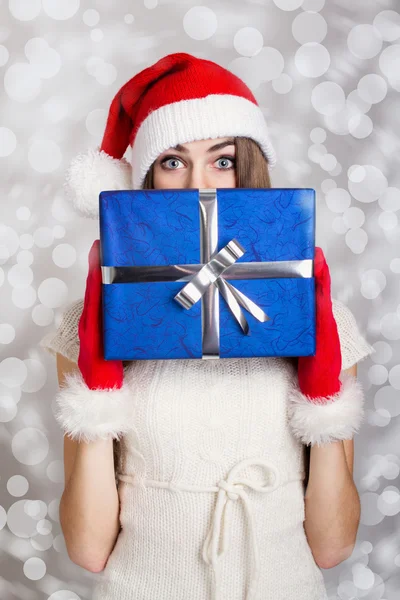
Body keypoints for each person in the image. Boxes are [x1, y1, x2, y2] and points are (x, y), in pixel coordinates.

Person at [40, 52, 375, 600]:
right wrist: (98, 387)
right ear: (145, 178)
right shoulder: (87, 323)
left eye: (222, 161)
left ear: (251, 168)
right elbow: (89, 549)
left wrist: (323, 396)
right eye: (173, 162)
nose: (200, 183)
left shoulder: (322, 316)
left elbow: (332, 546)